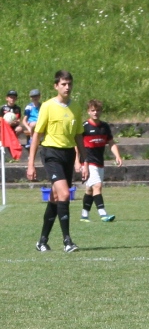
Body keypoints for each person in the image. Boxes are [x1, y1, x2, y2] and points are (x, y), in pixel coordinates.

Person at [26, 70, 88, 253]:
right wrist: (30, 164)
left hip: (68, 154)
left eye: (69, 84)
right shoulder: (47, 106)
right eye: (63, 84)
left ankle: (42, 241)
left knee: (55, 197)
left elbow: (78, 136)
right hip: (51, 153)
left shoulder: (75, 107)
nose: (67, 87)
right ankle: (67, 241)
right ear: (56, 86)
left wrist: (84, 161)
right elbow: (37, 135)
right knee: (65, 194)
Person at [80, 99, 123, 222]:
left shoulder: (104, 127)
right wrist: (78, 162)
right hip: (88, 162)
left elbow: (111, 142)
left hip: (99, 162)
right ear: (88, 111)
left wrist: (117, 156)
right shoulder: (84, 127)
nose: (95, 113)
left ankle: (84, 215)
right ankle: (103, 214)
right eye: (93, 110)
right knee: (97, 186)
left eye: (98, 110)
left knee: (90, 190)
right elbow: (77, 145)